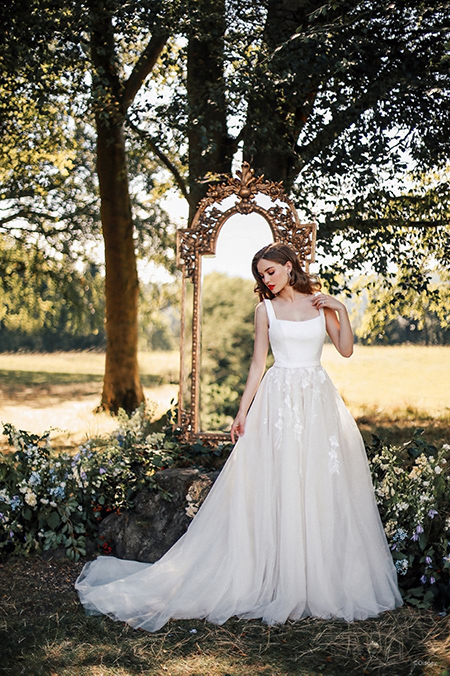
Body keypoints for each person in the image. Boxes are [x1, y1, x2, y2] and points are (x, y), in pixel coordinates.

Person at [75, 242, 404, 632]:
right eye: (260, 275)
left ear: (288, 265)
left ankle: (318, 579)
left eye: (270, 271)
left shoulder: (320, 304)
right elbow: (256, 365)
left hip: (317, 401)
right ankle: (279, 577)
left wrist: (342, 310)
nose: (265, 280)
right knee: (279, 484)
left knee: (318, 484)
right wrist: (242, 411)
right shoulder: (264, 311)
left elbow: (346, 350)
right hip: (278, 400)